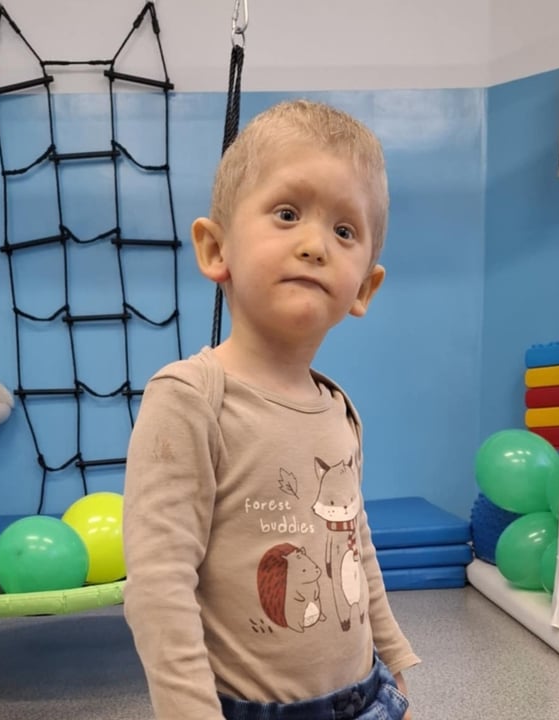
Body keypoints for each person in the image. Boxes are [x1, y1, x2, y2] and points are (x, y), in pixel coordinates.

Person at [122, 98, 420, 720]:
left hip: (367, 694)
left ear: (365, 287)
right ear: (216, 249)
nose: (315, 245)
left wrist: (393, 661)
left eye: (344, 232)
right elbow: (159, 588)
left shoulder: (338, 409)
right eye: (287, 214)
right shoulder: (190, 398)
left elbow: (355, 546)